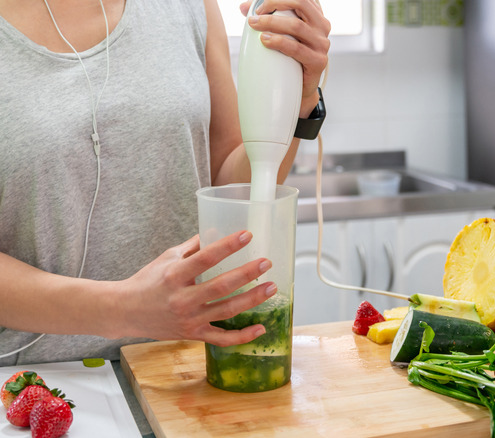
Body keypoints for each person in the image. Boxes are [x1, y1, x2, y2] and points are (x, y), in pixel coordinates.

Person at [0, 0, 331, 366]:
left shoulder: (190, 6)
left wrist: (295, 103)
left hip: (186, 371)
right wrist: (122, 308)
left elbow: (228, 183)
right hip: (36, 388)